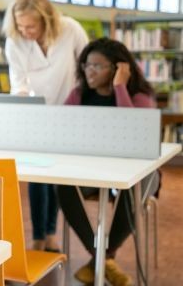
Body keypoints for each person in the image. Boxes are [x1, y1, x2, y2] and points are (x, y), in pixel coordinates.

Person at [56, 37, 158, 286]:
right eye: (86, 65)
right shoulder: (78, 95)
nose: (89, 71)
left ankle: (100, 260)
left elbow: (134, 133)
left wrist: (120, 88)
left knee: (134, 187)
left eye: (97, 66)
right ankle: (104, 259)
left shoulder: (139, 97)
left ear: (117, 68)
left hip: (136, 173)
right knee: (63, 186)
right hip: (90, 171)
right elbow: (60, 127)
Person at [3, 0, 89, 252]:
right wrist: (20, 112)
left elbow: (88, 66)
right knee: (38, 178)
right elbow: (19, 84)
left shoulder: (70, 29)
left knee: (57, 178)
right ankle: (39, 237)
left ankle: (51, 234)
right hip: (36, 117)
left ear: (47, 21)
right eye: (20, 25)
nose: (25, 31)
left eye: (31, 26)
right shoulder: (14, 42)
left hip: (69, 114)